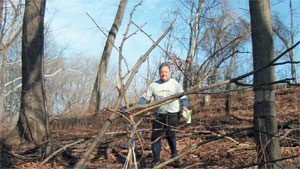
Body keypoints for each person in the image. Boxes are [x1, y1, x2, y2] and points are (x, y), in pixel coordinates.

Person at [139, 62, 188, 167]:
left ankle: (175, 159)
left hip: (172, 114)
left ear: (169, 72)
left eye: (166, 72)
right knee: (155, 138)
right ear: (159, 73)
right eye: (162, 72)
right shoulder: (153, 85)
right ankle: (156, 161)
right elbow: (144, 98)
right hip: (158, 115)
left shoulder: (175, 84)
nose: (163, 74)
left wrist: (185, 106)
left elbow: (183, 97)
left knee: (170, 135)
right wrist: (139, 105)